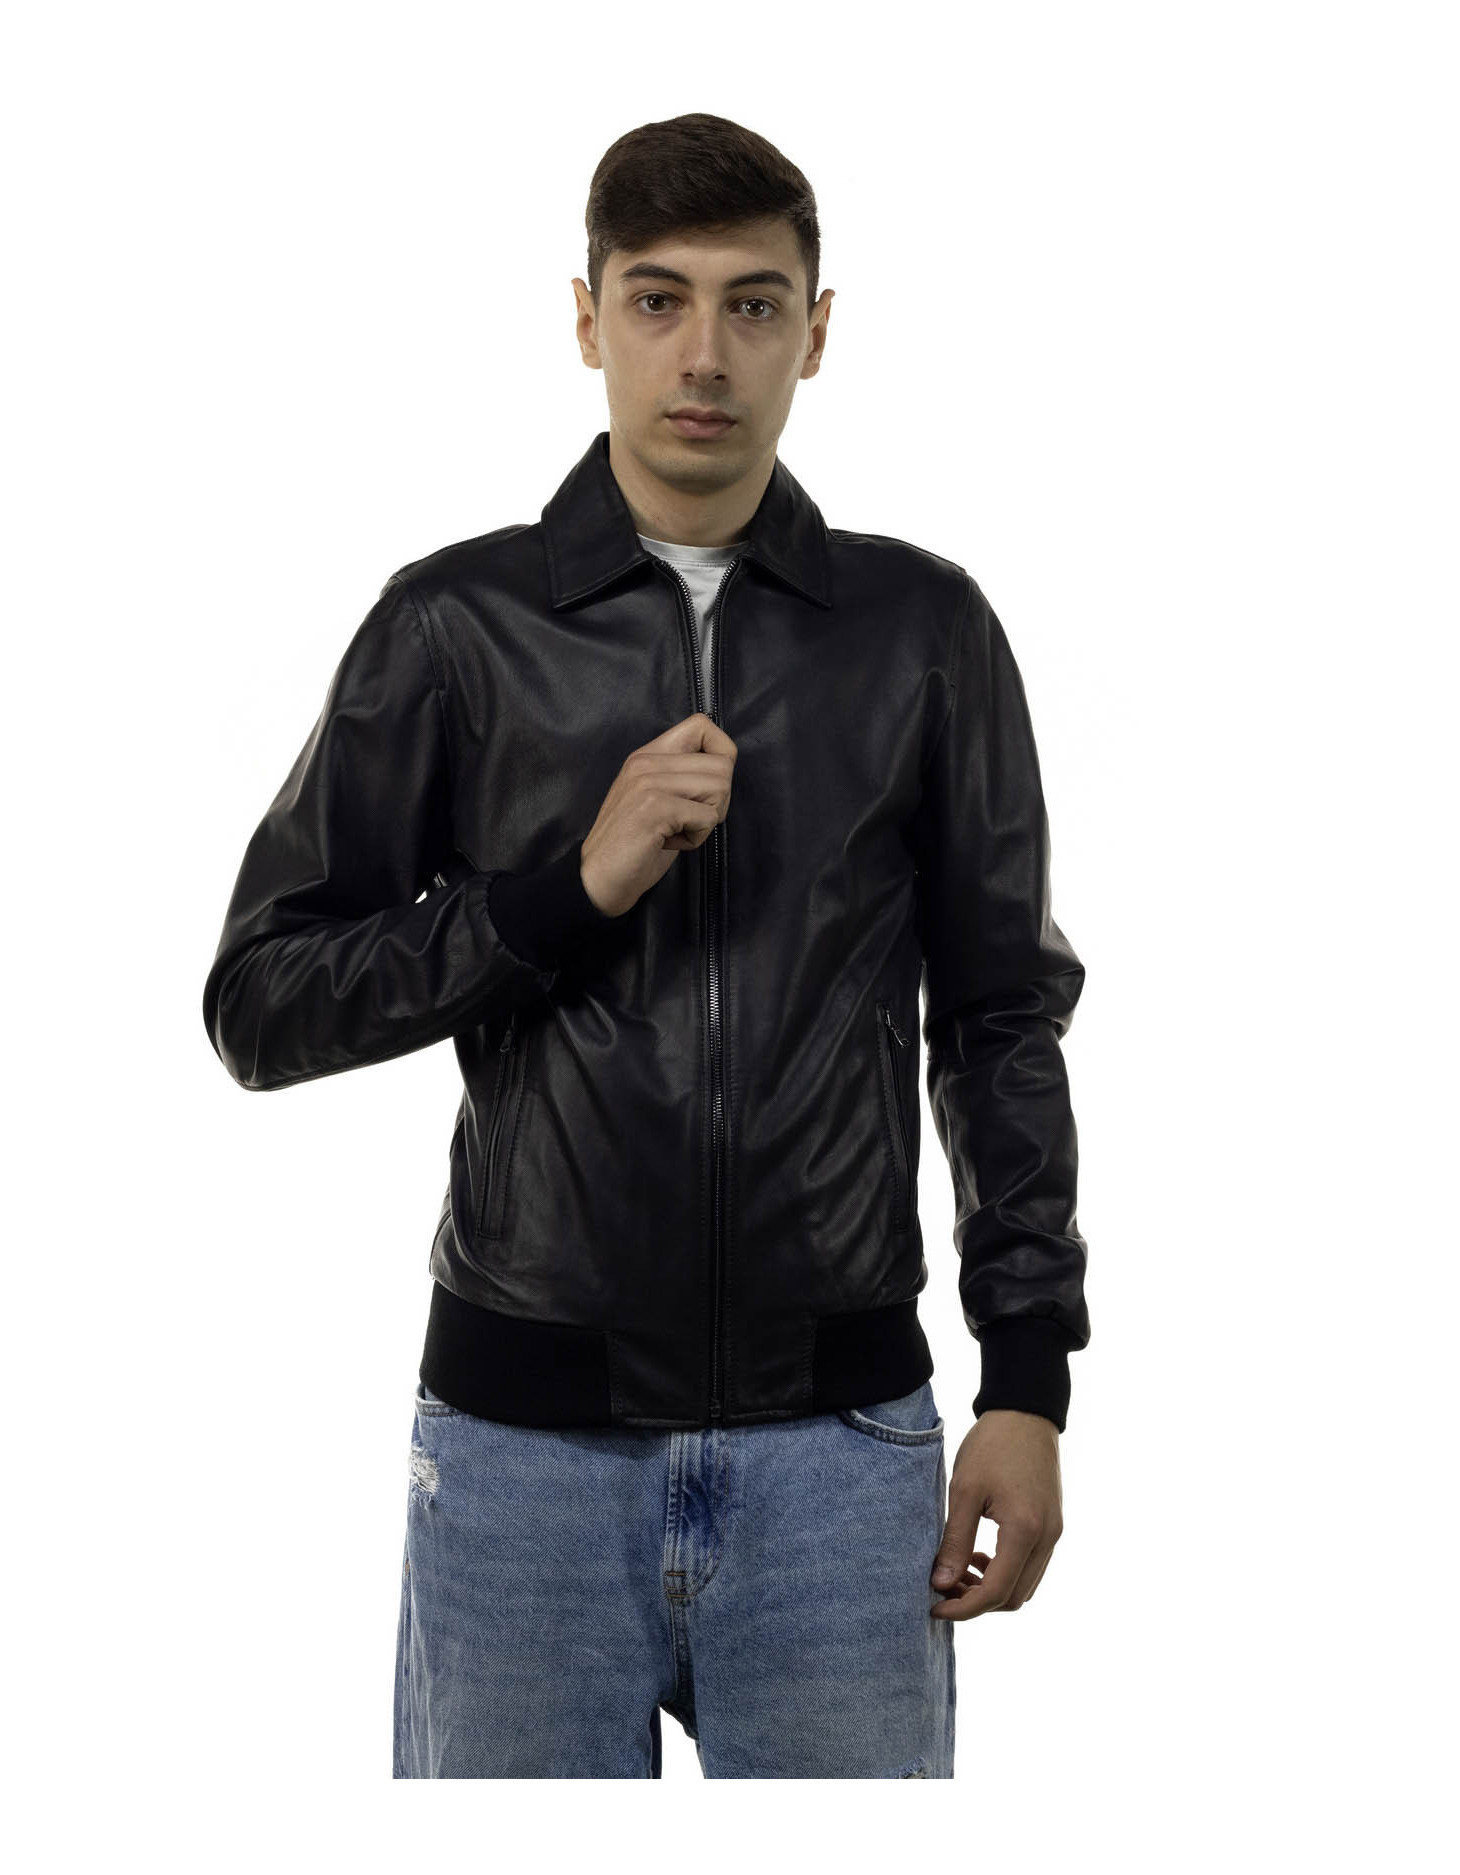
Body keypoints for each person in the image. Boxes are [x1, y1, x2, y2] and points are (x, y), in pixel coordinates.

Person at [201, 112, 1091, 1780]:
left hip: (842, 1450)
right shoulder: (454, 626)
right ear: (586, 317)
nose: (704, 354)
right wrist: (565, 890)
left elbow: (998, 1023)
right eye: (659, 299)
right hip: (522, 1455)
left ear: (816, 333)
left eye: (754, 305)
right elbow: (262, 1002)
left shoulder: (922, 633)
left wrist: (1026, 1380)